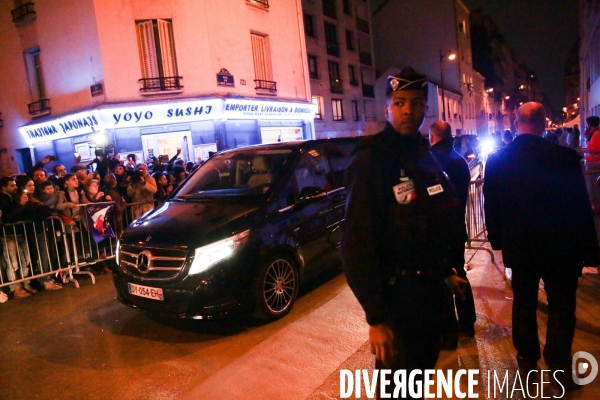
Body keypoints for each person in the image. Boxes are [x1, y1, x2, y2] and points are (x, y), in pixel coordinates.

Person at [340, 67, 468, 398]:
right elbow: (357, 245)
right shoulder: (372, 161)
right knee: (397, 390)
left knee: (419, 379)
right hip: (397, 302)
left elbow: (427, 223)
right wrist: (377, 318)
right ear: (387, 109)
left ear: (425, 108)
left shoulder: (423, 154)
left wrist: (445, 271)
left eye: (414, 102)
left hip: (428, 295)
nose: (407, 110)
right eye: (399, 103)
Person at [483, 102, 599, 389]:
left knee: (523, 303)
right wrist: (590, 249)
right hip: (562, 246)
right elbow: (579, 205)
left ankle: (526, 358)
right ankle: (558, 361)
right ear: (544, 122)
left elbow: (492, 206)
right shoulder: (564, 158)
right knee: (562, 305)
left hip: (521, 246)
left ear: (516, 121)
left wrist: (498, 239)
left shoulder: (498, 159)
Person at [429, 121, 477, 346]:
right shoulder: (460, 161)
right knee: (460, 272)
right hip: (457, 228)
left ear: (433, 136)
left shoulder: (430, 161)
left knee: (441, 279)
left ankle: (448, 333)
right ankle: (467, 324)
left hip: (436, 232)